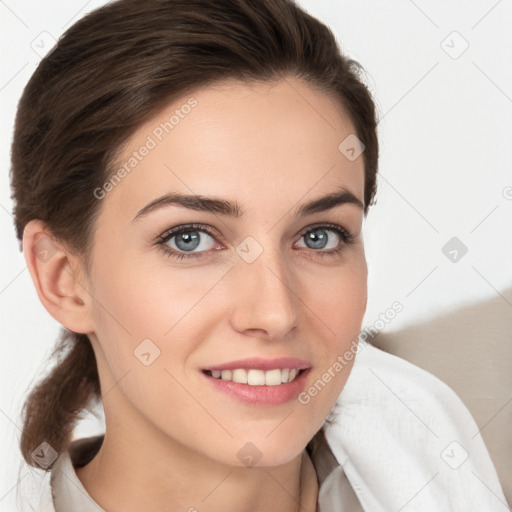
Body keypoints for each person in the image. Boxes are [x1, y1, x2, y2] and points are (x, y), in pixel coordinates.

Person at [9, 0, 508, 510]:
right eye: (190, 239)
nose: (276, 312)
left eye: (319, 236)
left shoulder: (435, 452)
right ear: (63, 278)